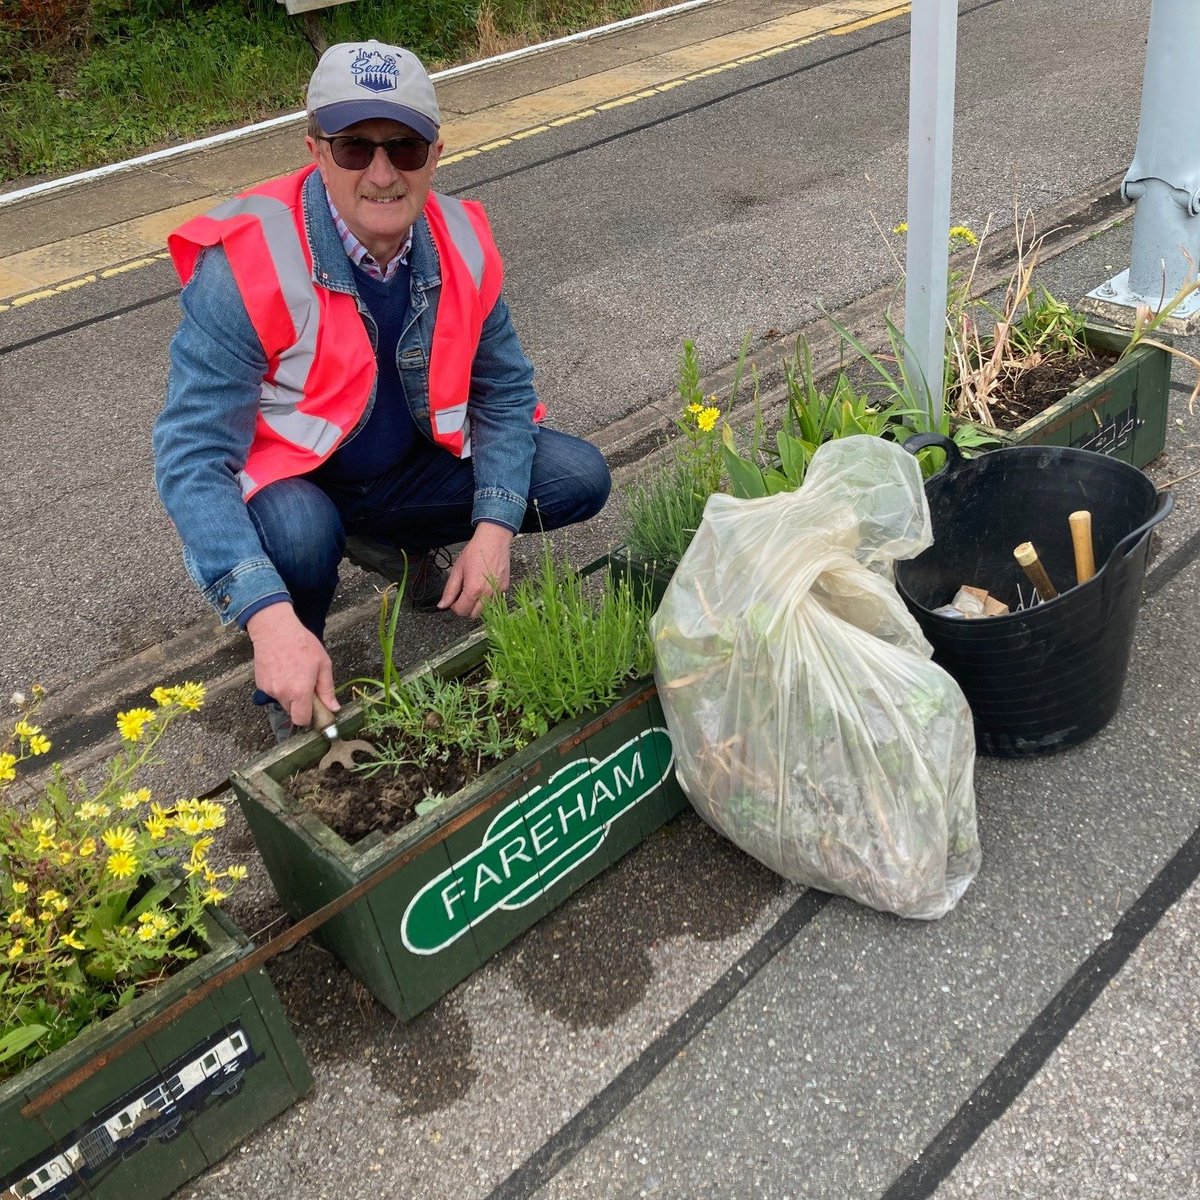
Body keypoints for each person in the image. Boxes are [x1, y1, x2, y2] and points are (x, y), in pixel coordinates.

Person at [153, 40, 611, 741]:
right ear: (315, 149)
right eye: (353, 147)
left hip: (404, 469)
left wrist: (492, 532)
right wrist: (265, 616)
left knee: (577, 476)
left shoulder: (460, 238)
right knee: (302, 538)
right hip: (297, 488)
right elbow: (190, 458)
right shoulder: (247, 261)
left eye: (403, 146)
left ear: (435, 152)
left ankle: (392, 549)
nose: (381, 173)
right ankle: (292, 681)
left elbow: (505, 392)